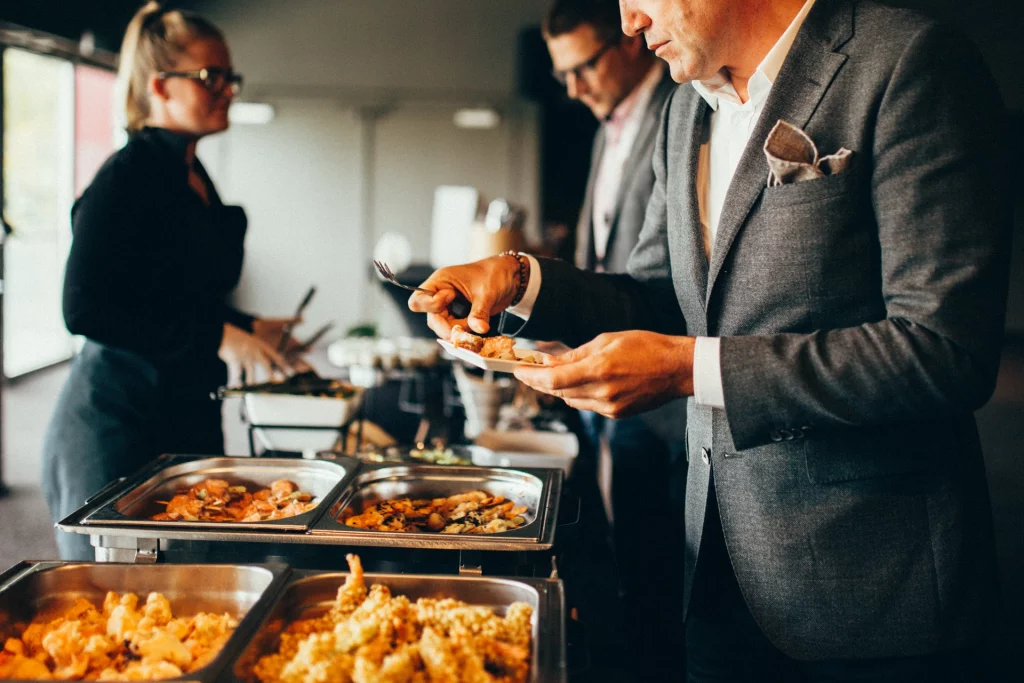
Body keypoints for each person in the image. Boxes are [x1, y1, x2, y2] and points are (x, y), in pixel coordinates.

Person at [410, 0, 1012, 679]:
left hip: (874, 591)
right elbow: (657, 296)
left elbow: (942, 350)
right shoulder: (684, 107)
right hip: (713, 565)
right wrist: (519, 280)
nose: (629, 22)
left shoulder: (908, 61)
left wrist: (693, 368)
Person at [42, 2, 299, 560]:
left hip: (179, 409)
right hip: (116, 421)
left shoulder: (189, 168)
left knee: (195, 576)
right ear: (160, 86)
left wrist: (246, 324)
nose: (228, 88)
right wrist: (216, 335)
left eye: (230, 76)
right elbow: (85, 309)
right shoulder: (125, 177)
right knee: (118, 601)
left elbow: (167, 293)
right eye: (212, 77)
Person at [543, 1, 685, 679]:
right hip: (602, 363)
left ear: (628, 43)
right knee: (619, 536)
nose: (573, 88)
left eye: (584, 66)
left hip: (665, 382)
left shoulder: (683, 108)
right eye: (561, 75)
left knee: (657, 551)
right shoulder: (606, 129)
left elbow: (657, 278)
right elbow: (601, 250)